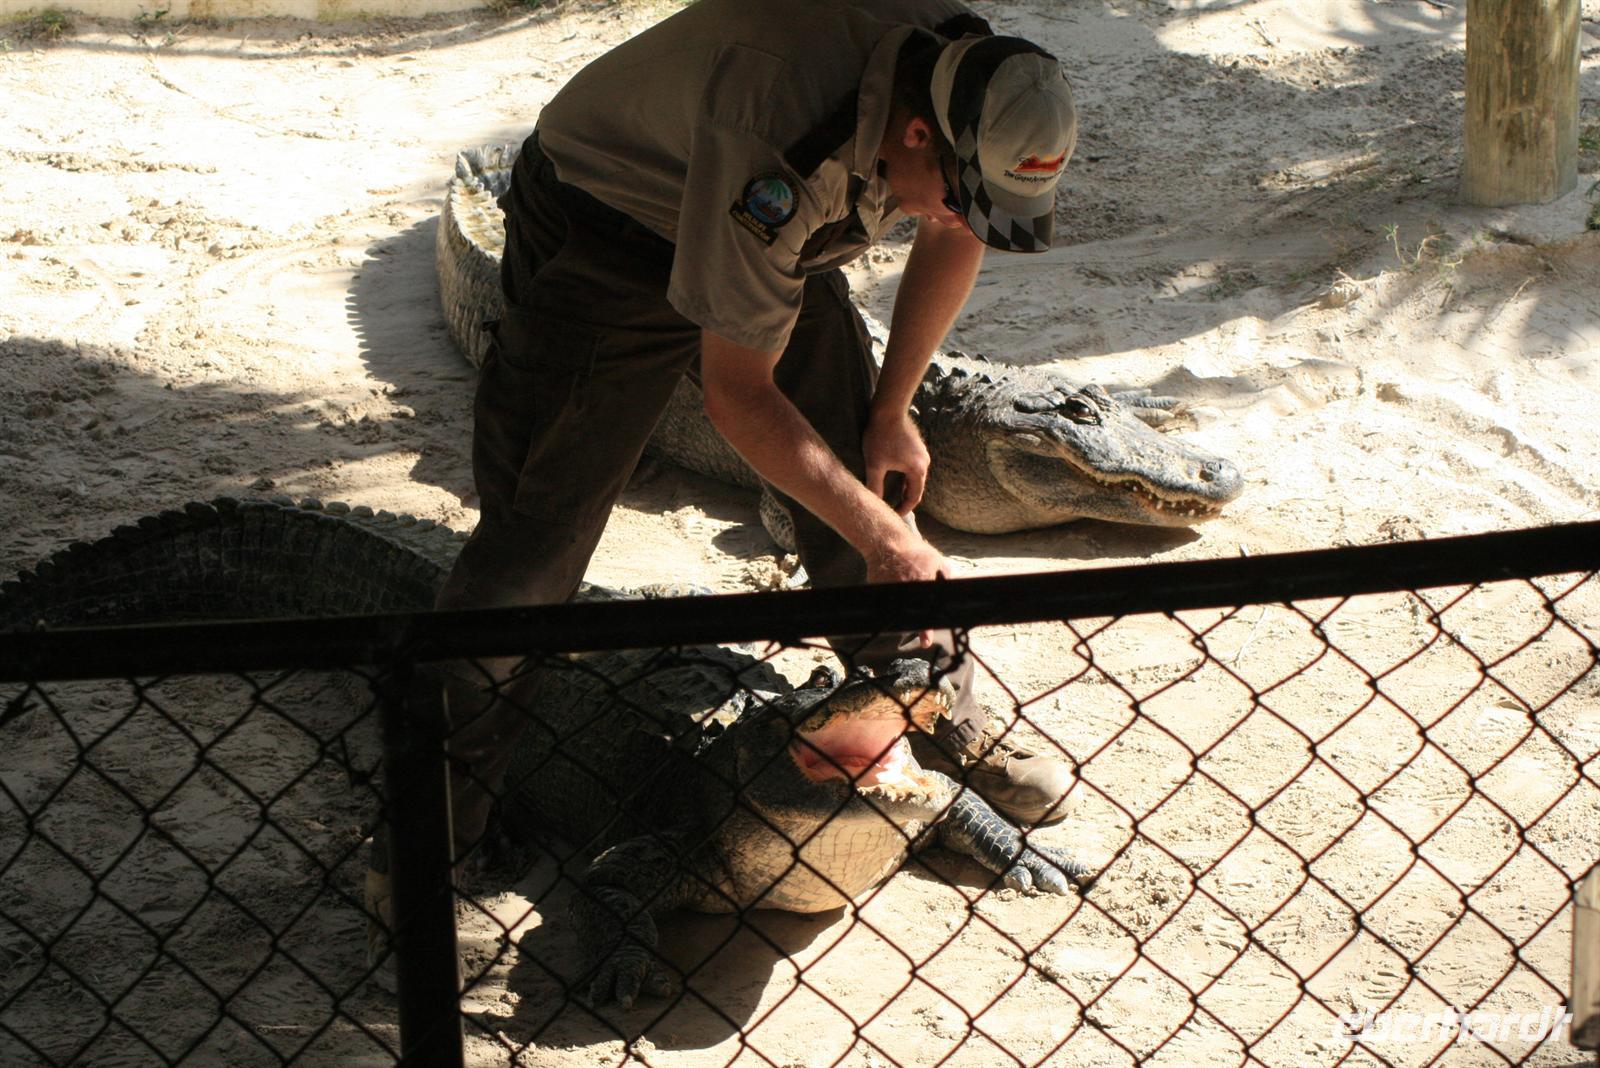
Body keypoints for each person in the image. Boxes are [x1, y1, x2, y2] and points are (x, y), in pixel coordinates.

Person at [367, 0, 1080, 965]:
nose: (957, 214)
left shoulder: (975, 89)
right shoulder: (782, 145)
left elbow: (959, 228)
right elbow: (737, 395)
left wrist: (891, 406)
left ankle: (926, 710)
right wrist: (888, 540)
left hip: (773, 217)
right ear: (918, 134)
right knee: (531, 558)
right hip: (613, 221)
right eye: (956, 194)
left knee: (861, 473)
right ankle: (426, 839)